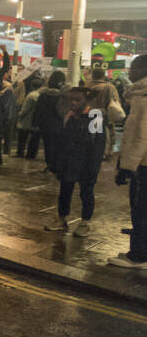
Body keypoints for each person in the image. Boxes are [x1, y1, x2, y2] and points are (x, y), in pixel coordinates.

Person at [42, 86, 106, 237]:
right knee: (65, 191)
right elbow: (62, 140)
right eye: (70, 99)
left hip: (86, 162)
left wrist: (94, 166)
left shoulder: (95, 116)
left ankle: (85, 223)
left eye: (77, 100)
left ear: (86, 101)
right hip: (68, 160)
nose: (73, 103)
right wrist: (56, 162)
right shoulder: (69, 116)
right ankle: (61, 219)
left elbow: (97, 145)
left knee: (86, 192)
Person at [110, 54, 147, 268]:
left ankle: (139, 256)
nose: (130, 72)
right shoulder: (139, 95)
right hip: (141, 162)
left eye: (134, 68)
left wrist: (127, 167)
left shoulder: (144, 98)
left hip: (143, 163)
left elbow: (141, 136)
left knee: (140, 208)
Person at [32, 70, 68, 173]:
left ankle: (50, 164)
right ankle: (57, 164)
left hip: (46, 124)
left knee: (48, 145)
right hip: (60, 123)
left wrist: (36, 123)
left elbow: (38, 110)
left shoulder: (44, 94)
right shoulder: (64, 95)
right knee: (59, 145)